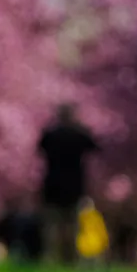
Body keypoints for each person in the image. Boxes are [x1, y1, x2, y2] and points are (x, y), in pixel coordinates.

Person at [37, 104, 99, 263]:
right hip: (74, 185)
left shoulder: (50, 134)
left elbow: (39, 149)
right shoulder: (79, 134)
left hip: (53, 185)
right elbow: (95, 146)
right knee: (73, 225)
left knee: (52, 226)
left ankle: (52, 258)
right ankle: (71, 259)